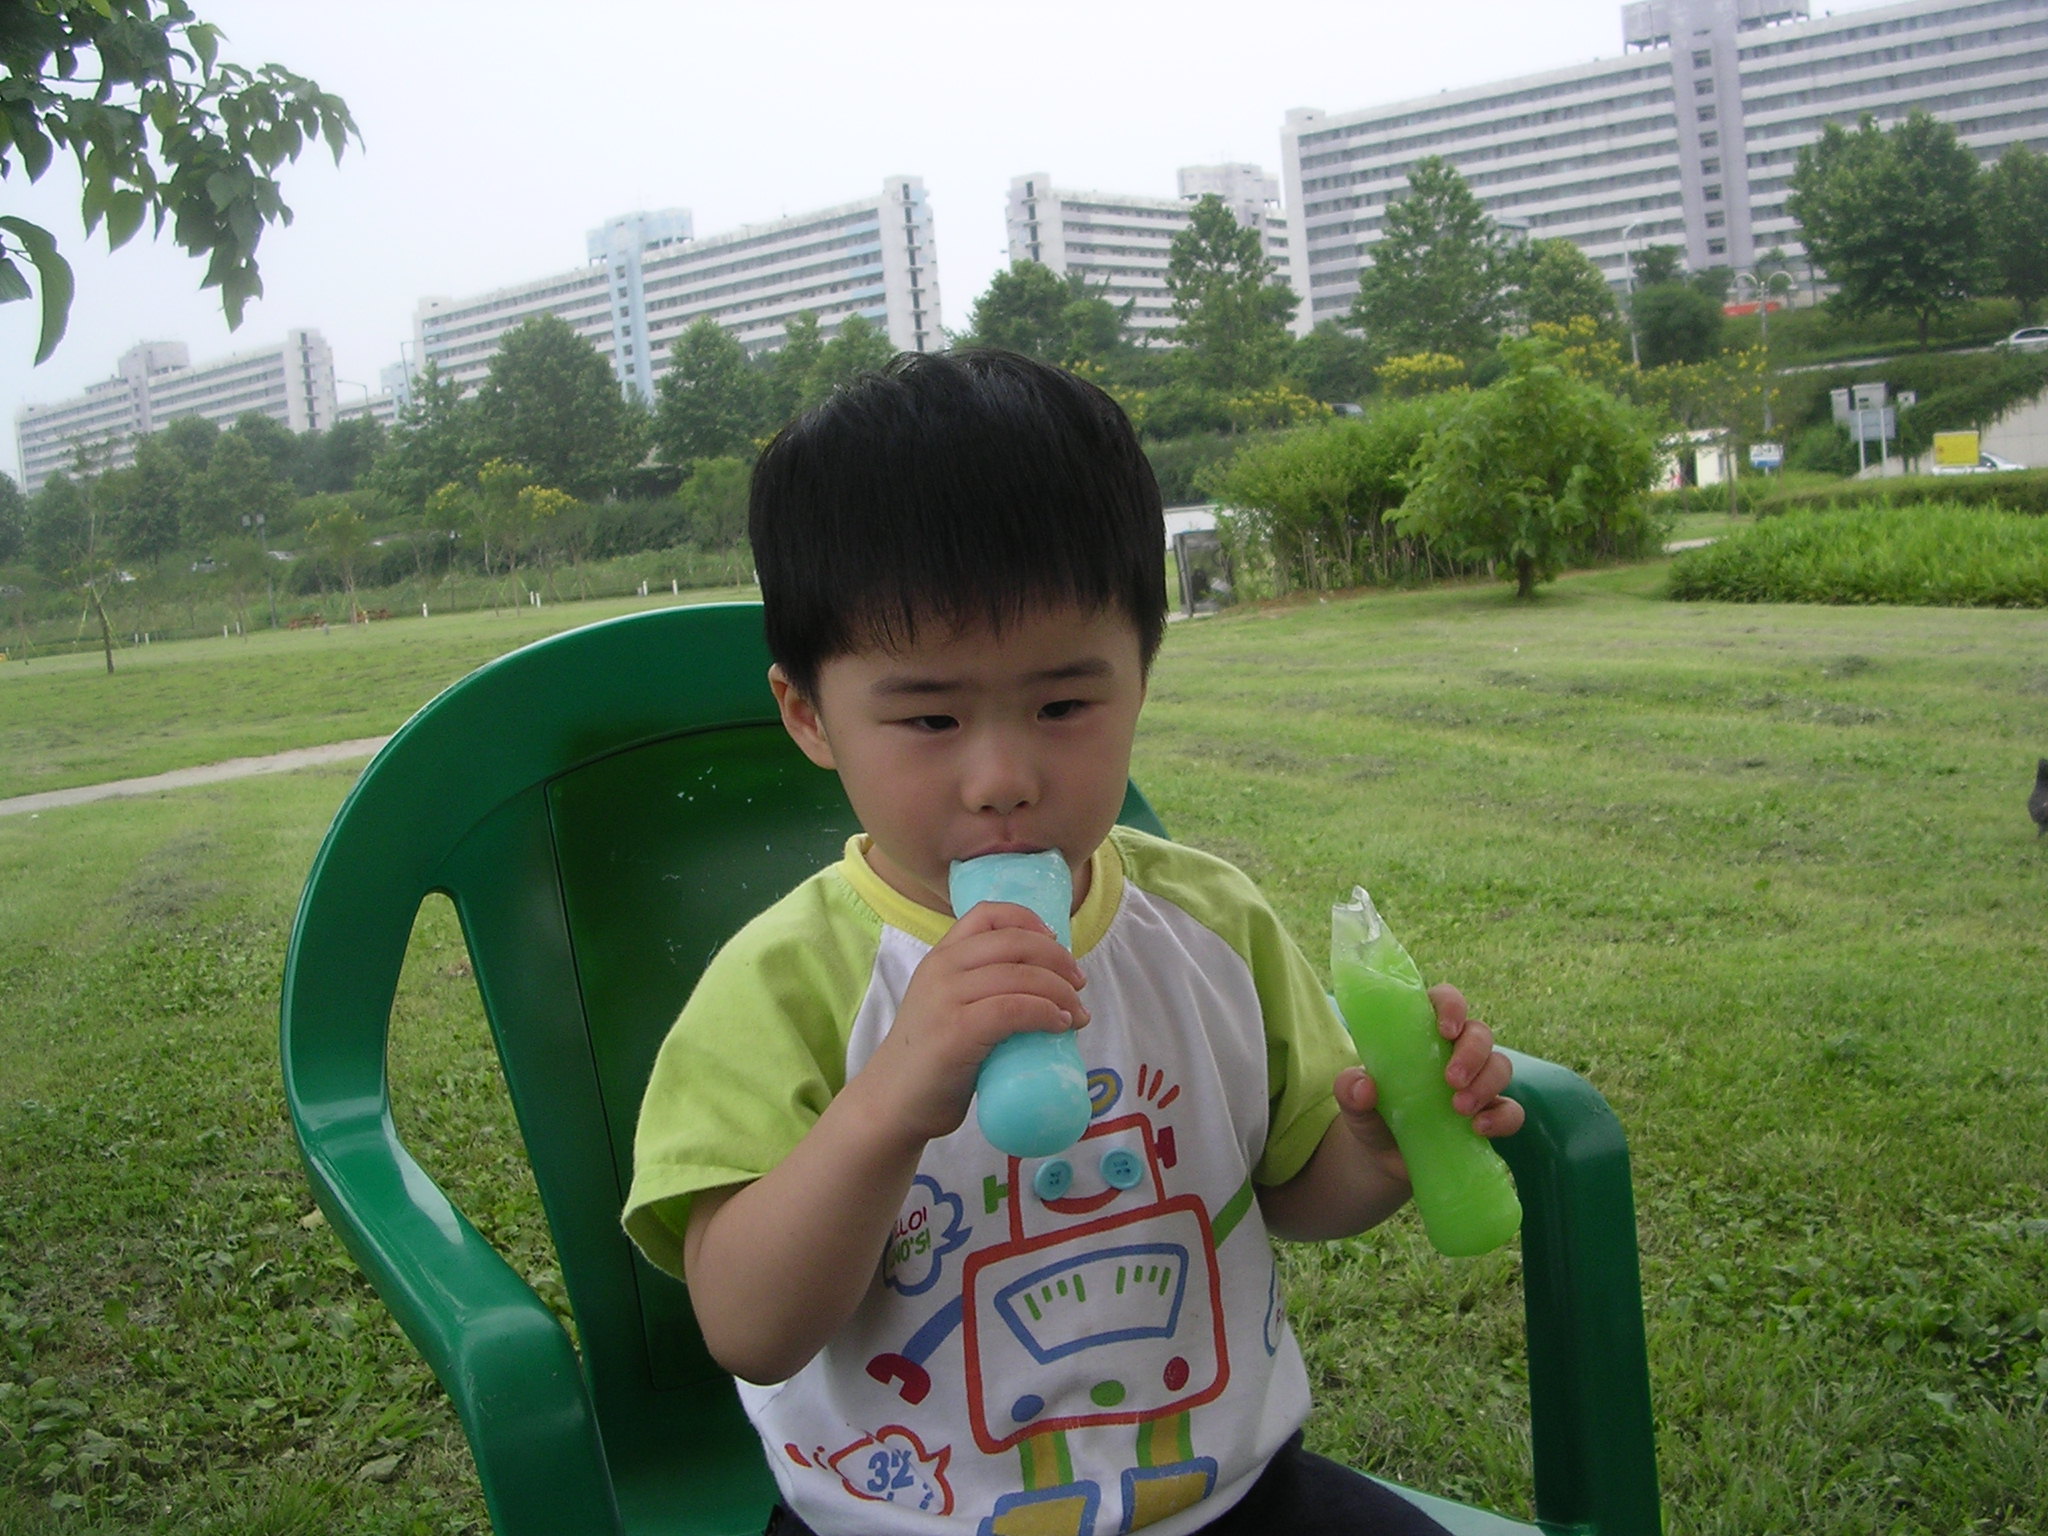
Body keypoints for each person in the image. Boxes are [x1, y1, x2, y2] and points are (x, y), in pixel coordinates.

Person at [624, 350, 1523, 1536]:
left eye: (1061, 705)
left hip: (1225, 1498)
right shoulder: (784, 985)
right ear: (809, 716)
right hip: (899, 1524)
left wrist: (1381, 1146)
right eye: (929, 717)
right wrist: (888, 1101)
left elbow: (1293, 1190)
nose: (1002, 777)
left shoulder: (1208, 925)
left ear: (1140, 674)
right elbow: (749, 1326)